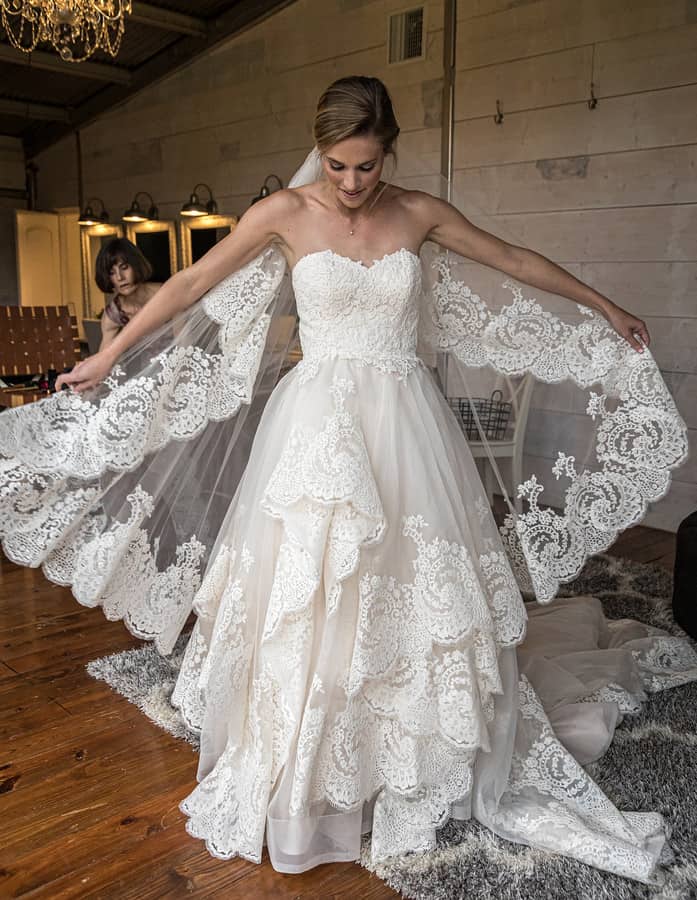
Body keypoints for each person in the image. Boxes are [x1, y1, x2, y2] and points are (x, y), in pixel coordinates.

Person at [3, 76, 694, 883]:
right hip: (316, 425)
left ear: (387, 153)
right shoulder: (283, 215)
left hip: (405, 421)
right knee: (314, 583)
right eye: (336, 166)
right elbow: (191, 284)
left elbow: (507, 257)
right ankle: (314, 758)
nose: (351, 184)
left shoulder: (419, 212)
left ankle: (414, 747)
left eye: (365, 167)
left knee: (412, 577)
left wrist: (601, 304)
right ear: (319, 152)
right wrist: (107, 356)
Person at [94, 238, 161, 352]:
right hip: (141, 369)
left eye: (124, 268)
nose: (120, 277)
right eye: (112, 273)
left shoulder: (163, 294)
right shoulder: (113, 314)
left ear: (136, 265)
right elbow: (103, 357)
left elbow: (184, 342)